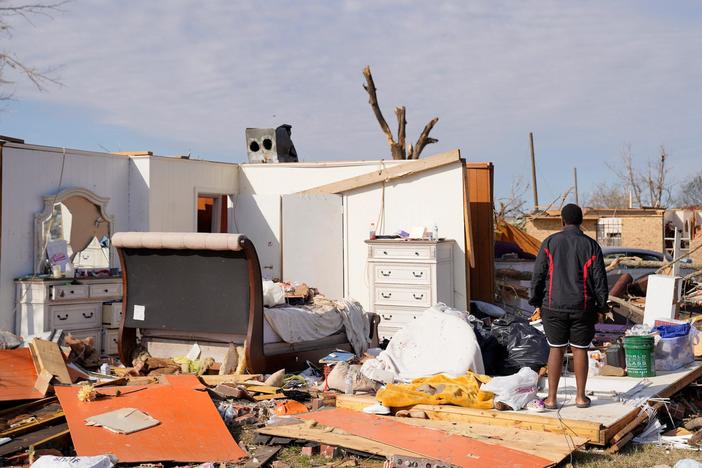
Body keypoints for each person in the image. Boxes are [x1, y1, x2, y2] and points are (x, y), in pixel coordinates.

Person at [529, 204, 608, 409]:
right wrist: (601, 306)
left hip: (553, 307)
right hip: (582, 307)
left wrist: (536, 301)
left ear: (562, 221)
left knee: (556, 348)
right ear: (581, 222)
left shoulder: (550, 243)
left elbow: (538, 275)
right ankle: (581, 398)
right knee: (580, 349)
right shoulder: (591, 246)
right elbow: (600, 280)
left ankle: (552, 399)